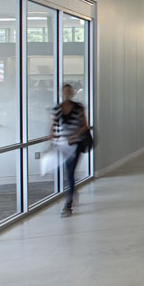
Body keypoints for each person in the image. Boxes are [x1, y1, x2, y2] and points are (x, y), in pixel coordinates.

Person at [53, 83, 90, 217]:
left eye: (69, 91)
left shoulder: (78, 107)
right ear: (61, 93)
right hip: (63, 145)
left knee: (70, 171)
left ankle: (68, 205)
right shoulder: (58, 108)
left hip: (76, 144)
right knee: (68, 172)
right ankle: (73, 192)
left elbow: (85, 126)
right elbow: (53, 125)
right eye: (65, 91)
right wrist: (53, 136)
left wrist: (75, 136)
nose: (67, 94)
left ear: (72, 93)